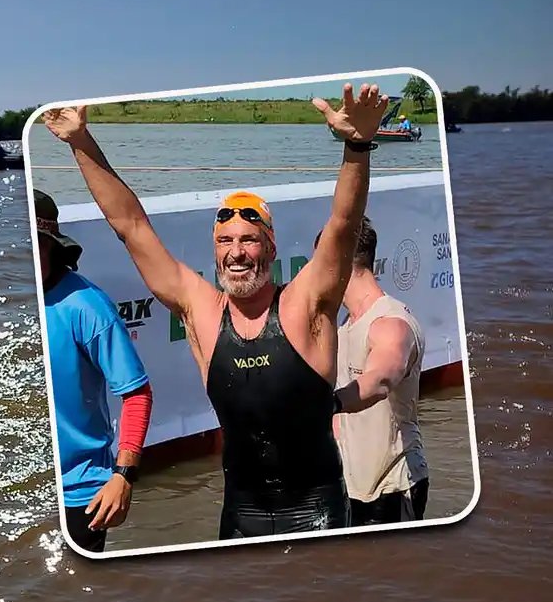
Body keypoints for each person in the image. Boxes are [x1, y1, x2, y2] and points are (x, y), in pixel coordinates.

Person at [41, 82, 392, 540]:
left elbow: (343, 226)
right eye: (225, 242)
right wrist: (80, 140)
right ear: (215, 250)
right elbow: (130, 227)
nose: (237, 252)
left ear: (270, 247)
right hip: (239, 512)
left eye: (249, 239)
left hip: (315, 511)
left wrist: (358, 145)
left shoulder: (306, 304)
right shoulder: (201, 310)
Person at [35, 189, 153, 553]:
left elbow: (136, 394)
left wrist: (123, 476)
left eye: (35, 244)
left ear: (51, 246)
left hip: (79, 492)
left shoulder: (86, 307)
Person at [317, 216, 430, 523]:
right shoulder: (345, 323)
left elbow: (381, 378)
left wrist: (329, 404)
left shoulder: (391, 324)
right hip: (352, 489)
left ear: (335, 261)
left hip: (393, 488)